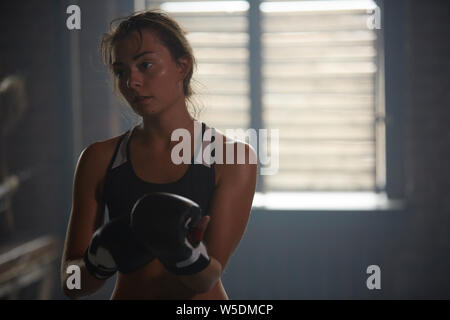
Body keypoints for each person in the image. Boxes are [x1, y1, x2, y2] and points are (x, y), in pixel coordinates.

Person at [60, 9, 257, 300]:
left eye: (146, 64)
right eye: (121, 71)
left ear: (182, 66)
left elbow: (205, 279)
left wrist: (179, 249)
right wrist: (99, 259)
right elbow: (72, 285)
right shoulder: (99, 159)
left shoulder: (233, 158)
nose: (132, 82)